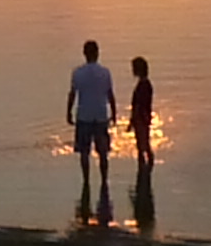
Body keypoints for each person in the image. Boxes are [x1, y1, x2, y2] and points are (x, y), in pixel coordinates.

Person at [65, 39, 116, 191]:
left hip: (84, 116)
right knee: (103, 152)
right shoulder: (105, 72)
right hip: (100, 115)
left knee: (84, 152)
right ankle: (104, 180)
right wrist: (114, 113)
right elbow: (110, 94)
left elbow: (72, 94)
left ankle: (86, 181)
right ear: (97, 53)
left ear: (84, 54)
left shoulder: (77, 73)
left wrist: (68, 112)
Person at [128, 55, 155, 170]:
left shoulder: (143, 86)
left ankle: (144, 168)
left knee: (142, 146)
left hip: (141, 119)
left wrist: (133, 120)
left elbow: (139, 105)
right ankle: (145, 169)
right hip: (144, 118)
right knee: (144, 145)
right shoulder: (146, 84)